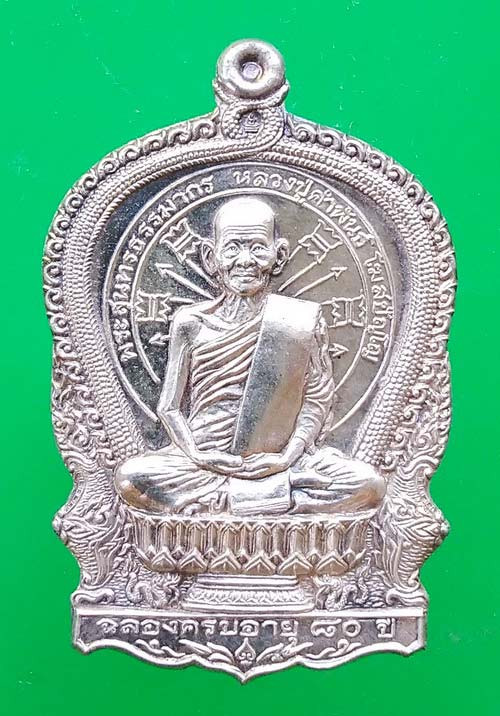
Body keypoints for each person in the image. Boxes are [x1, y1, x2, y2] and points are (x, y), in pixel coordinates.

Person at [114, 197, 385, 515]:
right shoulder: (191, 323)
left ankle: (231, 499)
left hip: (281, 459)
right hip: (202, 461)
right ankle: (279, 495)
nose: (245, 261)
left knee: (369, 485)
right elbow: (169, 407)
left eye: (257, 248)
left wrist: (286, 457)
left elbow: (316, 400)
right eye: (232, 249)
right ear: (211, 257)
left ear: (278, 256)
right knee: (131, 479)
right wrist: (198, 455)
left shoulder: (299, 321)